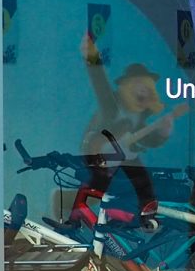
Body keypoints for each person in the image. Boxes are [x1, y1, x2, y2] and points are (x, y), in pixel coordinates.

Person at [73, 34, 186, 225]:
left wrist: (163, 132)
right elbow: (99, 81)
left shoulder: (141, 115)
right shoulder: (112, 104)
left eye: (146, 87)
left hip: (124, 156)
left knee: (142, 182)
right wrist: (92, 57)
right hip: (103, 154)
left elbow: (145, 139)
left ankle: (144, 217)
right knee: (96, 185)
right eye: (138, 85)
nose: (143, 92)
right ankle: (76, 219)